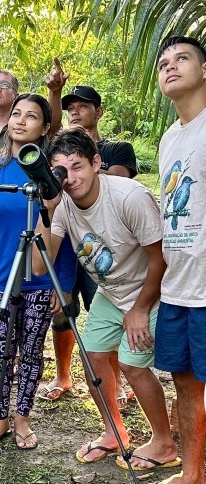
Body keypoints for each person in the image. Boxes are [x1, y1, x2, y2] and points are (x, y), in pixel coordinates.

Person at [32, 127, 179, 469]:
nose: (70, 177)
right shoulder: (63, 205)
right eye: (61, 170)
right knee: (93, 355)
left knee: (132, 363)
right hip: (112, 293)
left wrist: (140, 310)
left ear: (96, 163)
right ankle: (115, 433)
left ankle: (163, 443)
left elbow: (161, 257)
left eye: (77, 166)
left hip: (151, 289)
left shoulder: (129, 197)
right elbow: (40, 266)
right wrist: (47, 211)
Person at [0, 93, 74, 450]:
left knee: (30, 352)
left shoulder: (52, 175)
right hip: (0, 279)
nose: (19, 121)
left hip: (41, 282)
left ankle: (22, 419)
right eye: (16, 114)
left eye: (31, 116)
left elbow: (64, 233)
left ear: (45, 127)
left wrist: (63, 285)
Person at [41, 69, 139, 406]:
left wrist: (77, 169)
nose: (75, 112)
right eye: (70, 107)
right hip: (67, 243)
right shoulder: (62, 156)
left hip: (106, 247)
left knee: (112, 313)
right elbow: (51, 136)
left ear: (99, 111)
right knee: (61, 310)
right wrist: (54, 91)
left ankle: (120, 383)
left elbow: (114, 182)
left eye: (83, 106)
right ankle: (63, 375)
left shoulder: (117, 149)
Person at [153, 35, 206, 484]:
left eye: (182, 58)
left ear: (204, 70)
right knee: (185, 383)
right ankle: (192, 474)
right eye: (164, 62)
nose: (170, 66)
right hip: (177, 286)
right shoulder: (171, 137)